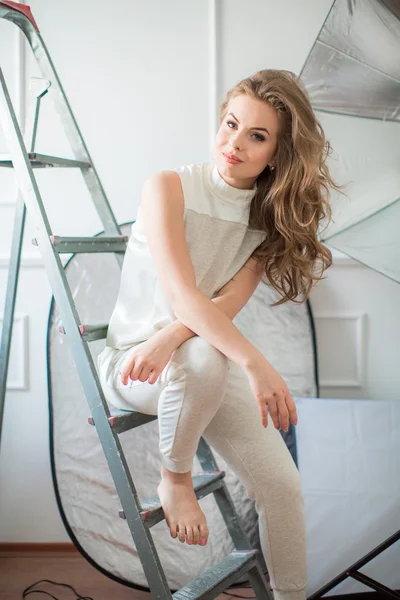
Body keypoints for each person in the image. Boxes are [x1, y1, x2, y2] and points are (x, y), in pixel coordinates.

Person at [97, 69, 346, 600]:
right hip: (134, 364)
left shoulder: (267, 219)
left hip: (194, 361)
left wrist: (174, 337)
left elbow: (224, 306)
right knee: (210, 358)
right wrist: (253, 363)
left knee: (283, 487)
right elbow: (186, 295)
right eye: (231, 124)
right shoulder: (167, 187)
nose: (234, 143)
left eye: (256, 136)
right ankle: (175, 478)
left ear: (277, 153)